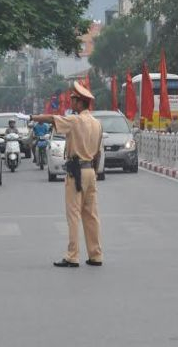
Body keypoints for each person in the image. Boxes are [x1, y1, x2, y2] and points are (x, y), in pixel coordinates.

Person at [31, 81, 103, 268]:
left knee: (73, 215)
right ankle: (96, 255)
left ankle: (72, 256)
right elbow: (98, 153)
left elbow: (52, 119)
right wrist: (93, 172)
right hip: (90, 171)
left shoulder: (75, 120)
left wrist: (33, 117)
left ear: (80, 103)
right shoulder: (97, 124)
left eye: (73, 100)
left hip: (76, 171)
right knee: (91, 215)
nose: (71, 102)